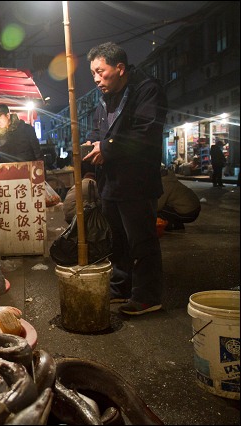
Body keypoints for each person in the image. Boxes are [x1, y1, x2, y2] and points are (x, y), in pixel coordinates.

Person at [82, 41, 168, 316]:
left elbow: (146, 134)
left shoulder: (147, 90)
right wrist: (92, 143)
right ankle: (121, 287)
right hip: (111, 183)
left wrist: (106, 148)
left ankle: (147, 296)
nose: (96, 79)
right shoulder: (105, 98)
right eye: (93, 73)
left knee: (141, 241)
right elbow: (98, 130)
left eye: (100, 71)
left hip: (137, 182)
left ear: (120, 68)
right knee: (116, 240)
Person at [158, 167, 201, 231]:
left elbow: (158, 206)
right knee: (168, 206)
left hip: (189, 213)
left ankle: (170, 226)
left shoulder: (165, 184)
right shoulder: (171, 180)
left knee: (159, 210)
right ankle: (177, 225)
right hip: (194, 209)